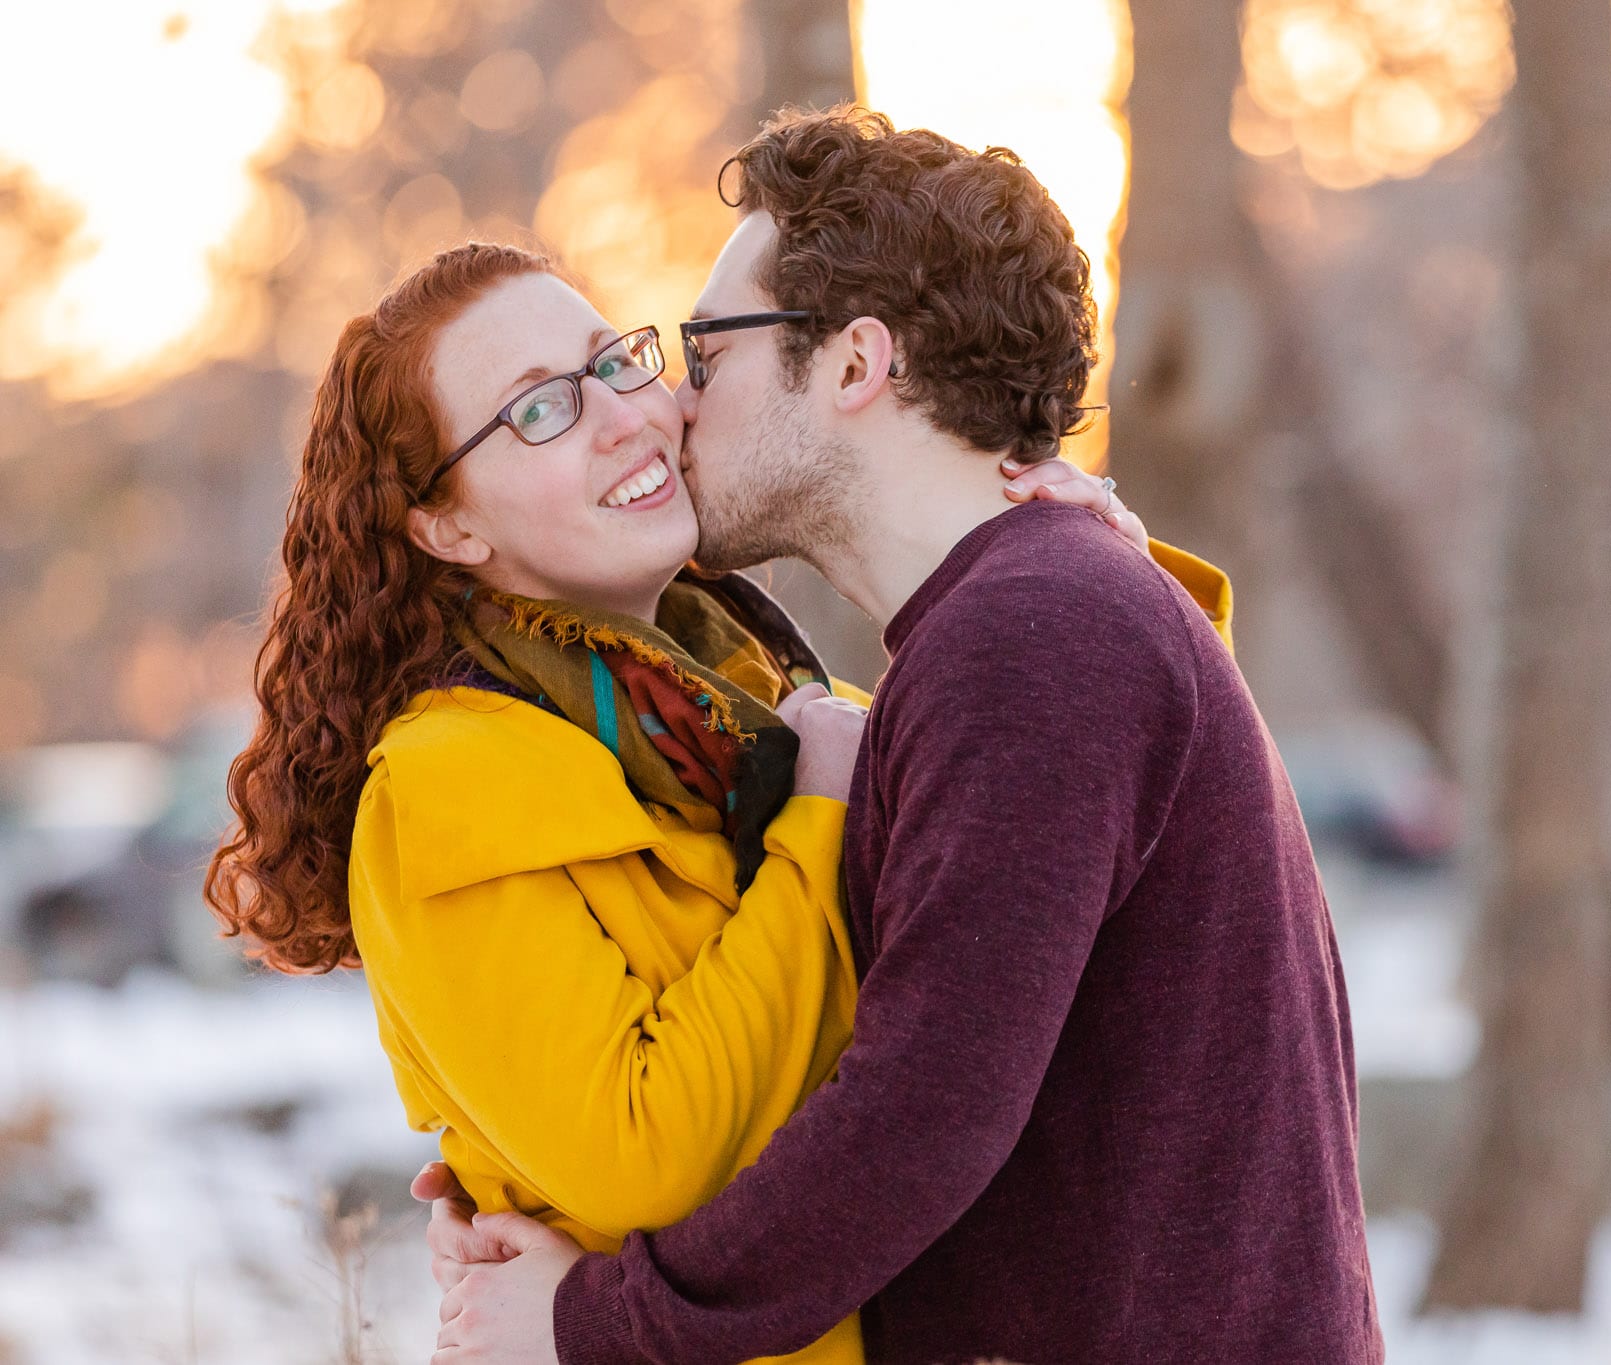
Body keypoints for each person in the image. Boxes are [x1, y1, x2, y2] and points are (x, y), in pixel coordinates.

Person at [427, 107, 1384, 1365]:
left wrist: (591, 1325)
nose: (672, 403)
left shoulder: (1036, 634)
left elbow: (920, 1113)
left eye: (707, 352)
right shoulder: (1039, 617)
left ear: (853, 365)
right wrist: (520, 1173)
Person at [202, 235, 1183, 1365]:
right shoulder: (445, 785)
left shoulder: (776, 704)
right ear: (448, 526)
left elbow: (1071, 877)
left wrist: (1092, 562)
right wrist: (815, 824)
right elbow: (643, 1156)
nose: (624, 415)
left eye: (614, 362)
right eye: (538, 413)